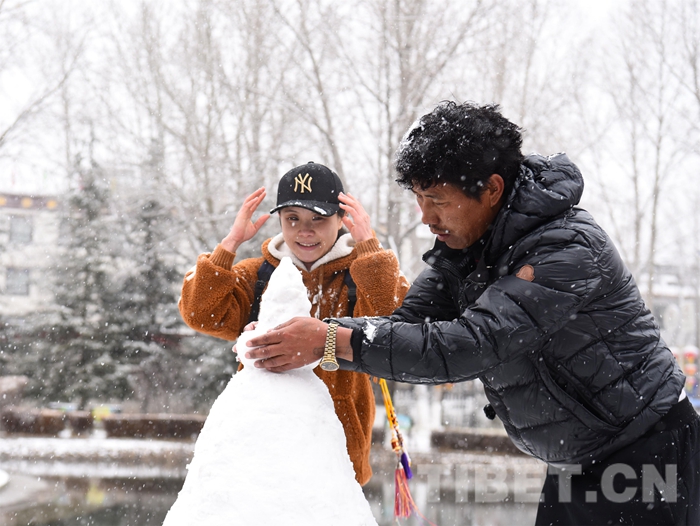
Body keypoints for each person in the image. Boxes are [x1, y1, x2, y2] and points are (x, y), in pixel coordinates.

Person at [244, 102, 700, 525]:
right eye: (419, 199)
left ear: (492, 189)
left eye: (438, 200)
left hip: (647, 449)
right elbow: (409, 326)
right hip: (574, 457)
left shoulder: (565, 247)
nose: (426, 217)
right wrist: (314, 333)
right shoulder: (465, 249)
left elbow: (471, 343)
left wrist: (328, 340)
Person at [179, 161, 410, 486]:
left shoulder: (364, 274)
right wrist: (229, 244)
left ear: (342, 219)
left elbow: (398, 325)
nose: (305, 230)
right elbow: (200, 312)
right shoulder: (256, 274)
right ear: (280, 221)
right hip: (263, 451)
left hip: (338, 455)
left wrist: (368, 246)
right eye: (293, 219)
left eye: (318, 219)